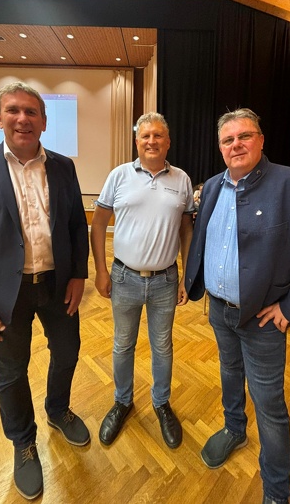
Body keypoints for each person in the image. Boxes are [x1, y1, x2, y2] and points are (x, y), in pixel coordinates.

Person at [185, 108, 290, 504]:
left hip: (263, 319)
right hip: (219, 309)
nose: (236, 145)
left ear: (261, 140)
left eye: (244, 136)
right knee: (229, 374)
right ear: (220, 148)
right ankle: (234, 429)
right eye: (228, 140)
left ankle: (276, 490)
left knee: (269, 404)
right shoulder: (212, 186)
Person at [0, 82, 89, 500]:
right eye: (13, 110)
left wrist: (78, 275)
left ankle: (58, 409)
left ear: (44, 121)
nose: (22, 118)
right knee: (11, 371)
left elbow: (75, 225)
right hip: (3, 293)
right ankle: (23, 442)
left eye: (31, 112)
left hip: (58, 284)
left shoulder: (62, 166)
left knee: (68, 352)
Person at [91, 112, 194, 449]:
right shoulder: (119, 175)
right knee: (123, 344)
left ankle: (161, 403)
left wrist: (187, 275)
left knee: (163, 346)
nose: (152, 141)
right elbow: (98, 223)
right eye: (145, 136)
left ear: (168, 141)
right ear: (137, 142)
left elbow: (186, 229)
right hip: (124, 278)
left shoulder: (181, 179)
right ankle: (122, 401)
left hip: (166, 280)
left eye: (158, 135)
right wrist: (101, 270)